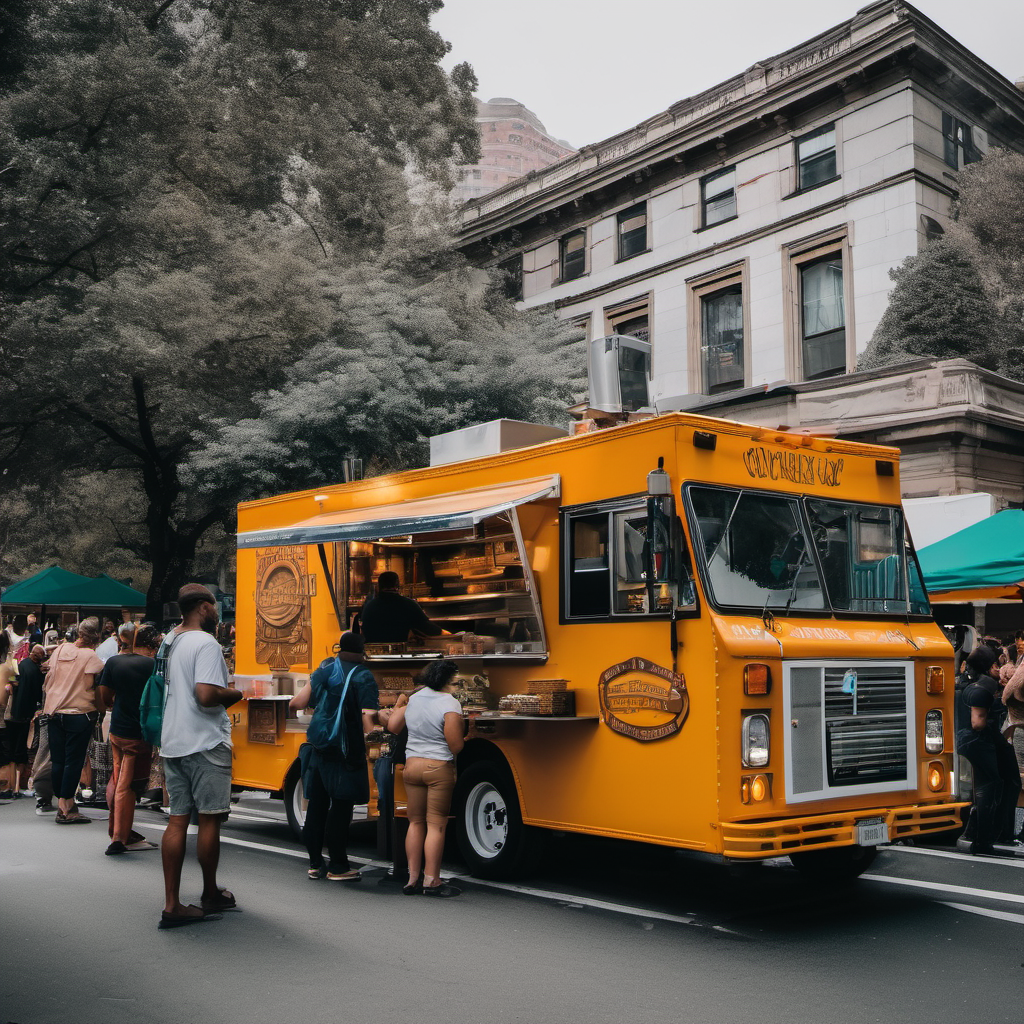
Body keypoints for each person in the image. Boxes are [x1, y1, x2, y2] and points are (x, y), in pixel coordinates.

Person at [158, 584, 242, 929]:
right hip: (205, 743)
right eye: (214, 606)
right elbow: (206, 695)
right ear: (204, 607)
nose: (218, 612)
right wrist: (235, 692)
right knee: (209, 819)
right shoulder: (206, 643)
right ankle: (209, 893)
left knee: (178, 819)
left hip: (173, 740)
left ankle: (172, 903)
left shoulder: (171, 640)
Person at [289, 632, 380, 881]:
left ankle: (315, 864)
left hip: (318, 747)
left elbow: (296, 703)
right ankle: (338, 866)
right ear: (362, 652)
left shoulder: (326, 667)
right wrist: (379, 739)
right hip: (345, 750)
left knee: (317, 807)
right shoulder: (363, 676)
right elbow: (367, 717)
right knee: (341, 809)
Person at [386, 658, 464, 897]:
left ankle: (412, 879)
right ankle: (431, 880)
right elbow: (455, 745)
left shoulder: (414, 699)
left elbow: (393, 726)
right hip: (437, 768)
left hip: (412, 767)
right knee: (436, 824)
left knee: (415, 822)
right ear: (447, 681)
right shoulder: (449, 703)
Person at [97, 623, 160, 855]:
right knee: (127, 785)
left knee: (117, 778)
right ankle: (120, 838)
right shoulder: (151, 665)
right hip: (139, 731)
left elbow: (104, 696)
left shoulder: (114, 662)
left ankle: (115, 830)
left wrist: (115, 702)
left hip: (118, 729)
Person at [957, 646, 1023, 855]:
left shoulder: (974, 682)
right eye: (997, 664)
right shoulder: (983, 686)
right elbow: (977, 723)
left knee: (1004, 782)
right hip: (979, 741)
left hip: (977, 740)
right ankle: (983, 839)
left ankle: (995, 834)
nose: (1000, 667)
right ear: (990, 666)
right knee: (991, 786)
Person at [42, 617, 104, 823]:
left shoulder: (60, 649)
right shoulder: (90, 656)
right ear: (95, 638)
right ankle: (66, 806)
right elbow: (90, 685)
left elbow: (48, 674)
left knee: (58, 760)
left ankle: (62, 799)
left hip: (53, 712)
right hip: (79, 713)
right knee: (74, 761)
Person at [360, 571, 444, 645]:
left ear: (378, 586)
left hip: (372, 655)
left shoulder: (369, 606)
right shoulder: (408, 604)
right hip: (397, 655)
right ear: (397, 585)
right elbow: (427, 627)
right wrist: (446, 634)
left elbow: (364, 630)